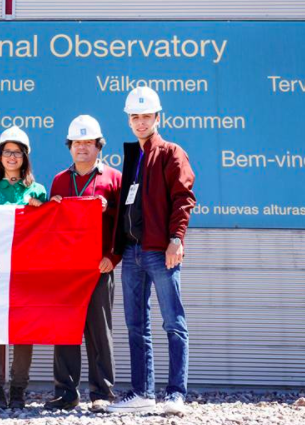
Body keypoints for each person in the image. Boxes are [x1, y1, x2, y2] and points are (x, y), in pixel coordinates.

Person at [106, 87, 196, 417]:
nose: (140, 122)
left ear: (158, 118)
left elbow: (184, 198)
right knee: (135, 325)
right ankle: (143, 393)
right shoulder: (135, 156)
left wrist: (176, 238)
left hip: (161, 249)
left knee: (173, 322)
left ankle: (175, 393)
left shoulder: (171, 153)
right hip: (132, 252)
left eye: (146, 116)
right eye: (135, 117)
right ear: (129, 121)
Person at [44, 116, 121, 413]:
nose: (82, 148)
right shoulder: (60, 180)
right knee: (64, 329)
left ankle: (102, 392)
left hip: (99, 267)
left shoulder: (113, 178)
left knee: (99, 332)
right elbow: (50, 224)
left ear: (99, 146)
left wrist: (112, 258)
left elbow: (122, 227)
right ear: (70, 147)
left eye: (88, 143)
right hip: (66, 270)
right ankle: (65, 392)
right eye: (77, 143)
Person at [0, 126, 46, 410]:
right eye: (7, 152)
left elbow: (48, 230)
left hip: (26, 273)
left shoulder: (38, 190)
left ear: (25, 156)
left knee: (23, 332)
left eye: (17, 152)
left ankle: (18, 390)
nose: (11, 157)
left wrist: (42, 206)